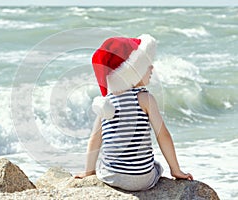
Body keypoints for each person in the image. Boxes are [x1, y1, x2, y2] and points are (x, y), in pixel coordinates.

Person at [75, 34, 193, 191]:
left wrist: (89, 172)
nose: (152, 68)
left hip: (112, 177)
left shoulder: (105, 102)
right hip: (142, 180)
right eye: (146, 65)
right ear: (132, 72)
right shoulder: (145, 98)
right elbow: (162, 134)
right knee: (155, 166)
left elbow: (95, 138)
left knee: (105, 161)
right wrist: (176, 170)